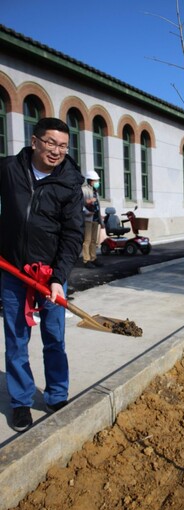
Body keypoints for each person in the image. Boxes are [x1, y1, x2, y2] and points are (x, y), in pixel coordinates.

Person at [0, 117, 84, 432]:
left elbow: (73, 234)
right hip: (12, 270)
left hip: (49, 275)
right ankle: (21, 402)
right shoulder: (8, 169)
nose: (56, 150)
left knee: (54, 337)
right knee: (16, 339)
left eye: (63, 145)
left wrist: (59, 278)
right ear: (35, 141)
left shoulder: (70, 182)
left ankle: (56, 395)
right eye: (50, 142)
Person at [82, 170, 104, 268]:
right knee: (87, 240)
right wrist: (87, 211)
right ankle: (86, 260)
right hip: (87, 218)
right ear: (90, 180)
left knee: (94, 240)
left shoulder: (95, 191)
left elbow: (97, 205)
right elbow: (79, 204)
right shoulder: (83, 190)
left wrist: (100, 219)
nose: (97, 183)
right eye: (95, 181)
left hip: (95, 218)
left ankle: (93, 258)